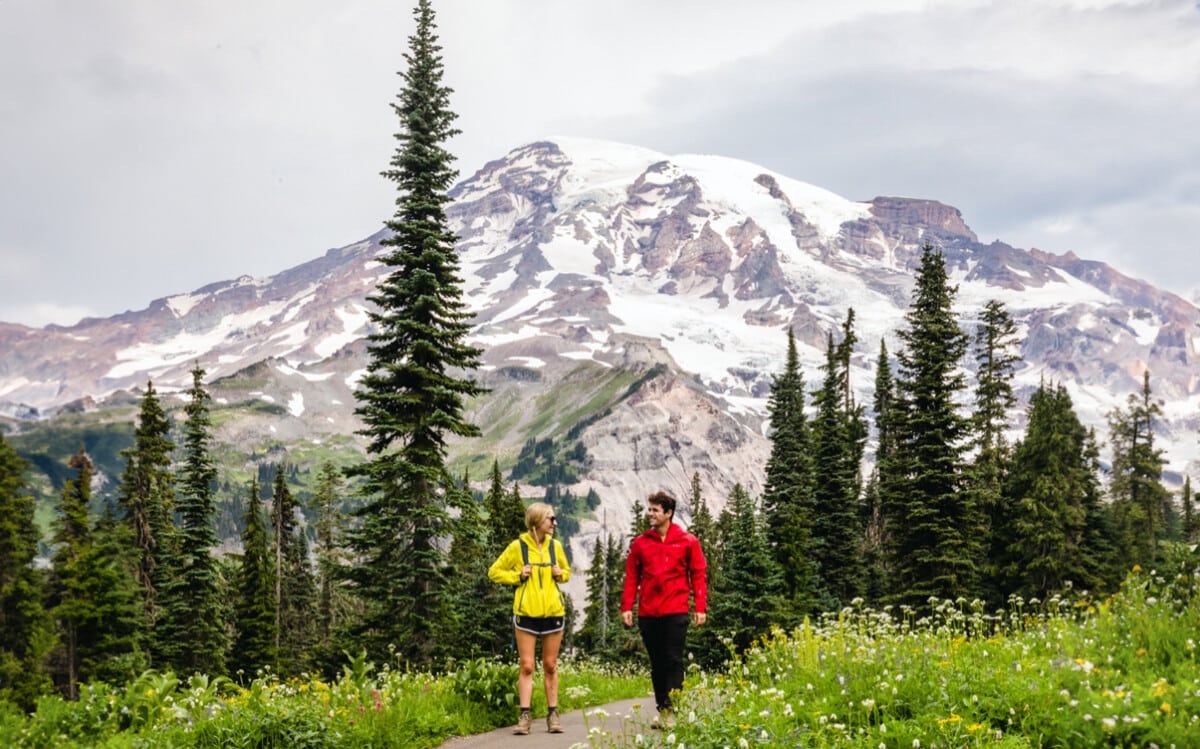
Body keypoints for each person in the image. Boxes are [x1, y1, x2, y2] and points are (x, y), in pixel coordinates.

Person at [621, 491, 708, 729]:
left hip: (676, 611)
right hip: (648, 613)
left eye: (655, 510)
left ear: (668, 513)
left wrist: (700, 606)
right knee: (657, 662)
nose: (650, 513)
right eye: (649, 509)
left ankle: (672, 710)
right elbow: (632, 577)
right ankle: (662, 708)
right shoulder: (640, 543)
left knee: (673, 659)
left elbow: (698, 574)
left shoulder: (688, 541)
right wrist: (627, 606)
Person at [488, 501, 572, 735]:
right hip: (526, 614)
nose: (554, 523)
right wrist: (518, 575)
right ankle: (524, 715)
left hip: (553, 613)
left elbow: (566, 572)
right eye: (550, 519)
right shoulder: (518, 547)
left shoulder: (555, 547)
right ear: (536, 522)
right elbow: (494, 571)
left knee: (550, 665)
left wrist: (560, 574)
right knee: (526, 666)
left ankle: (552, 714)